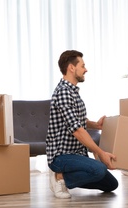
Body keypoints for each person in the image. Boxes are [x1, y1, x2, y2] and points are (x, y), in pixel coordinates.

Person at [46, 50, 119, 199]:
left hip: (77, 154)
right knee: (98, 170)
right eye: (83, 65)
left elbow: (78, 120)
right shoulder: (63, 93)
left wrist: (95, 125)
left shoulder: (73, 92)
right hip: (61, 156)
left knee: (111, 185)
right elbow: (77, 130)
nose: (86, 69)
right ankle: (60, 178)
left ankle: (67, 175)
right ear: (72, 68)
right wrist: (101, 153)